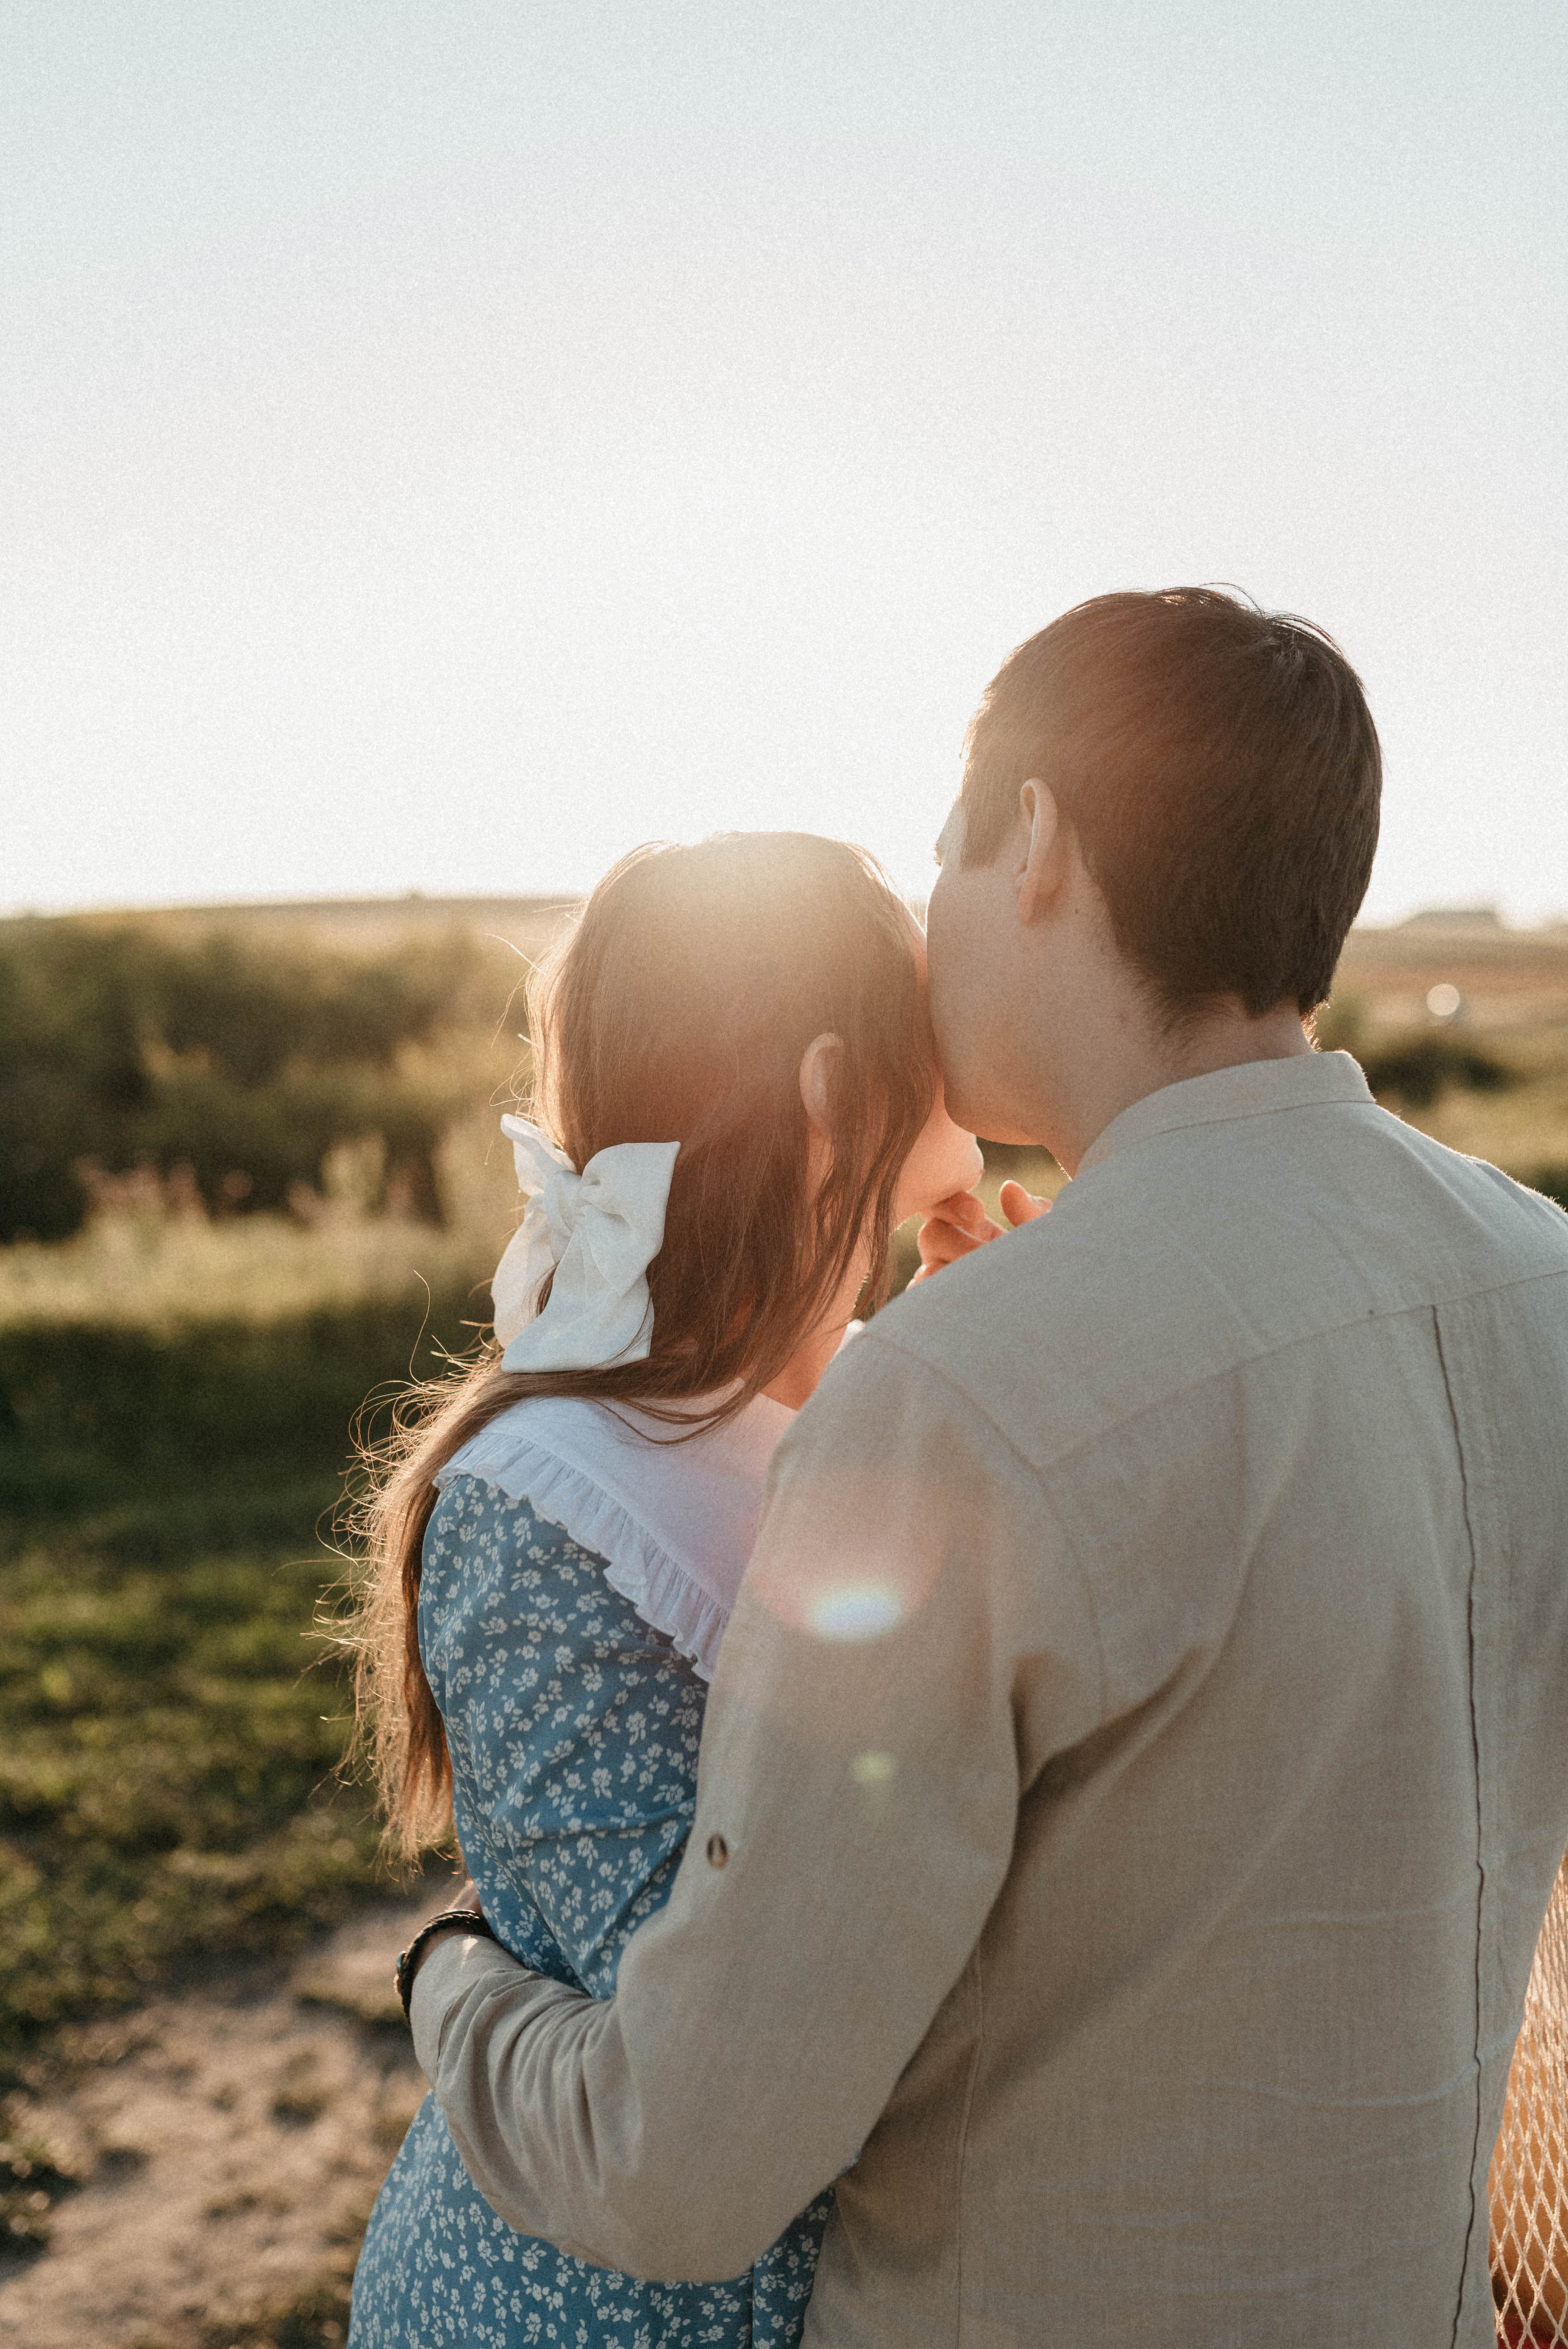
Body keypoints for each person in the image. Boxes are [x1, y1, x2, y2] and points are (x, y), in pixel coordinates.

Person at [397, 588, 1568, 2345]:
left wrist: (452, 1985)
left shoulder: (954, 1396)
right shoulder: (1542, 1278)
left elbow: (686, 2164)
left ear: (1034, 842)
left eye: (943, 851)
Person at [345, 831, 997, 2348]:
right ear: (833, 1093)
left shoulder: (867, 1403)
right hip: (588, 2305)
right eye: (925, 1029)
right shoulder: (551, 1502)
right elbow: (715, 2036)